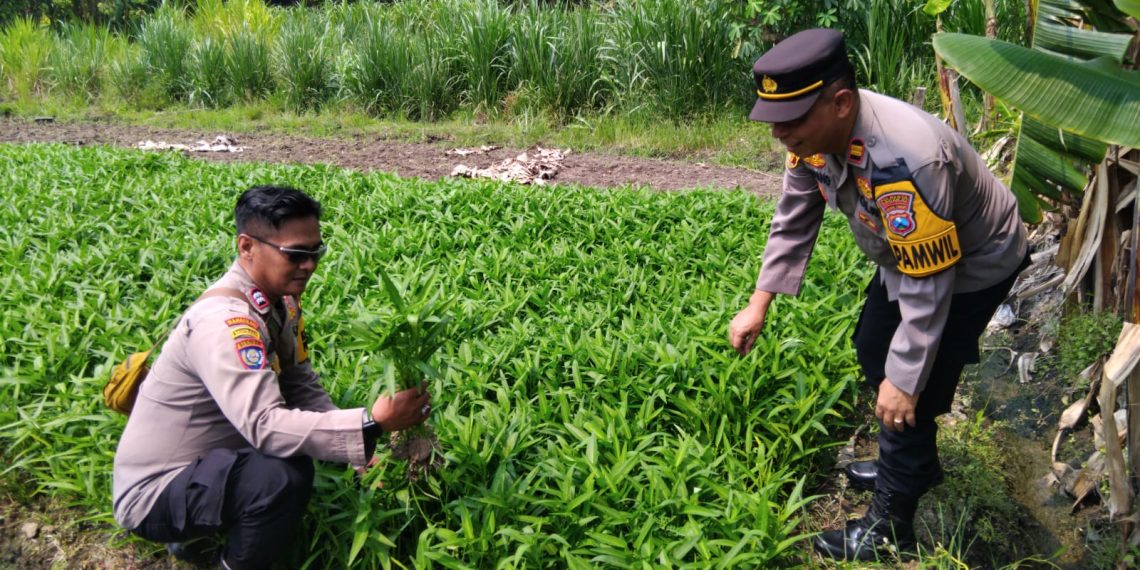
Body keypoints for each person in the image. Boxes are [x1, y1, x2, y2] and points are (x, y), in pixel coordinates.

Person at [728, 29, 1028, 561]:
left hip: (974, 264)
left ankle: (891, 522)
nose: (778, 133)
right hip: (907, 255)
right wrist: (759, 301)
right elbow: (795, 216)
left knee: (915, 382)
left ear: (841, 103)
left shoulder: (905, 161)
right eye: (774, 118)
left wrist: (907, 381)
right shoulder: (813, 139)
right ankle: (912, 461)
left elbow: (931, 283)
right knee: (873, 347)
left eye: (791, 119)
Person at [112, 185, 433, 569]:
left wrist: (359, 452)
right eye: (296, 253)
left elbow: (299, 383)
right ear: (246, 247)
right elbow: (265, 427)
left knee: (283, 463)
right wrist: (372, 422)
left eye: (316, 252)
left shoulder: (278, 301)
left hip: (208, 463)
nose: (310, 264)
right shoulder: (226, 323)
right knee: (280, 476)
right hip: (154, 492)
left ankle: (197, 537)